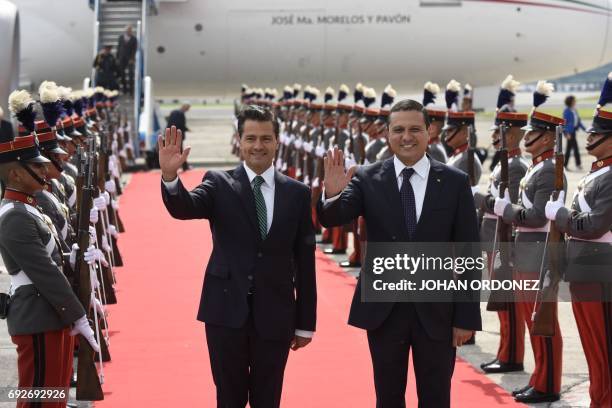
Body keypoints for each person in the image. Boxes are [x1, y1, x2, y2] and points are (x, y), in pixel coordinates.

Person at [318, 99, 482, 407]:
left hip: (437, 312)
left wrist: (466, 316)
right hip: (385, 311)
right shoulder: (367, 178)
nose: (407, 137)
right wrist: (332, 193)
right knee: (388, 397)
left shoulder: (454, 182)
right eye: (399, 130)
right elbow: (331, 217)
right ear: (388, 134)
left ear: (428, 133)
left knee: (436, 397)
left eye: (415, 129)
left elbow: (469, 252)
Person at [159, 105, 317, 408]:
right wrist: (169, 176)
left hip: (276, 314)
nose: (258, 146)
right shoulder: (218, 183)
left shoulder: (297, 193)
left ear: (277, 142)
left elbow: (305, 261)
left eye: (266, 138)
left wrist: (305, 322)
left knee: (268, 398)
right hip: (224, 312)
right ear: (239, 141)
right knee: (228, 397)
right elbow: (185, 208)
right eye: (251, 138)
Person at [0, 133, 99, 408]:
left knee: (53, 397)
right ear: (16, 174)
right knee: (38, 400)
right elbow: (44, 271)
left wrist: (76, 256)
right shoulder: (15, 216)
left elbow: (54, 258)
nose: (46, 170)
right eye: (37, 166)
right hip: (38, 316)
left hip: (50, 314)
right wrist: (78, 314)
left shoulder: (28, 209)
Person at [493, 81, 565, 403]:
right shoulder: (537, 168)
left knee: (542, 323)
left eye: (532, 134)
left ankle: (548, 382)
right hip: (525, 253)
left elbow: (537, 217)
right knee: (529, 319)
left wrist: (507, 210)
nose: (525, 139)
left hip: (537, 255)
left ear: (548, 137)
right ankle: (539, 377)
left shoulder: (548, 170)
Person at [563, 95, 585, 170]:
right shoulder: (566, 111)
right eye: (574, 100)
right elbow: (564, 123)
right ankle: (578, 164)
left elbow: (578, 122)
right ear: (571, 102)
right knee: (575, 148)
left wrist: (585, 129)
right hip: (569, 133)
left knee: (569, 149)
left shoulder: (574, 110)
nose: (575, 101)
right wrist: (566, 133)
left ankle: (565, 165)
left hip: (574, 132)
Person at [166, 104, 191, 170]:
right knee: (180, 151)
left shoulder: (173, 112)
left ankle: (171, 166)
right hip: (178, 135)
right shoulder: (181, 114)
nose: (188, 110)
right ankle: (185, 166)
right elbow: (180, 124)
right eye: (188, 108)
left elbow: (169, 123)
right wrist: (187, 129)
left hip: (170, 134)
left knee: (172, 151)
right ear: (184, 107)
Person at [116, 25, 138, 96]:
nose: (129, 31)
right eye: (127, 30)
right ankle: (125, 89)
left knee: (131, 74)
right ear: (125, 31)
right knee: (122, 74)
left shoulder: (134, 39)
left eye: (130, 30)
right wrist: (117, 58)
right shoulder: (121, 38)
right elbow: (118, 48)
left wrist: (132, 58)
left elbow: (134, 49)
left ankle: (131, 90)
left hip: (130, 59)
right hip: (122, 58)